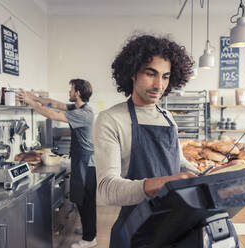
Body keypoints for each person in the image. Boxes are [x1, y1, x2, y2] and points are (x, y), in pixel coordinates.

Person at [93, 34, 200, 248]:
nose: (159, 85)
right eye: (151, 74)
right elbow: (106, 188)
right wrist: (162, 184)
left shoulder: (167, 117)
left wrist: (208, 176)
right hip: (135, 232)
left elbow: (178, 163)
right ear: (132, 73)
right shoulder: (111, 119)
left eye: (166, 77)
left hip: (175, 227)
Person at [17, 79, 97, 248]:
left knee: (85, 200)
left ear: (78, 93)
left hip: (86, 163)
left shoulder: (83, 113)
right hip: (81, 160)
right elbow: (54, 104)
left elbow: (52, 114)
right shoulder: (78, 108)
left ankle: (90, 239)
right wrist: (34, 96)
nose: (69, 92)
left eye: (71, 89)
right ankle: (88, 230)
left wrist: (31, 102)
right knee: (81, 198)